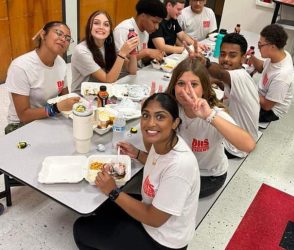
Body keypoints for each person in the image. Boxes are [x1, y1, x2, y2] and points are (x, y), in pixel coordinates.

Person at [73, 93, 200, 250]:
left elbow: (153, 218)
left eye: (160, 117)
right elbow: (160, 165)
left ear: (175, 122)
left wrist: (113, 191)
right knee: (100, 209)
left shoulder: (180, 166)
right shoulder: (164, 142)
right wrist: (137, 154)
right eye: (146, 115)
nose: (150, 123)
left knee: (80, 229)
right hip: (151, 211)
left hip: (162, 240)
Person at [166, 58, 256, 197]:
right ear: (173, 86)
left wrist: (209, 116)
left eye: (194, 84)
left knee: (168, 192)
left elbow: (248, 145)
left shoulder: (212, 113)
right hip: (180, 167)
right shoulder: (172, 108)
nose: (186, 90)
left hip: (208, 176)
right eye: (181, 83)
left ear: (204, 88)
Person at [4, 21, 80, 134]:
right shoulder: (20, 66)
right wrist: (56, 108)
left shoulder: (61, 63)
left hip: (49, 115)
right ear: (43, 34)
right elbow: (23, 115)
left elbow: (65, 97)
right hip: (21, 124)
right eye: (59, 33)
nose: (64, 39)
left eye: (68, 38)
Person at [204, 33, 260, 158]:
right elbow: (222, 80)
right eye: (222, 54)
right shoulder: (238, 74)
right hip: (243, 137)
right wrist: (217, 82)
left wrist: (205, 62)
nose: (226, 59)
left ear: (243, 58)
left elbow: (220, 74)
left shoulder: (240, 76)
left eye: (232, 55)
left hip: (236, 146)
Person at [71, 10, 139, 94]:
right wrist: (122, 53)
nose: (101, 27)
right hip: (82, 97)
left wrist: (133, 50)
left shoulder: (109, 45)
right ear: (89, 27)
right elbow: (108, 80)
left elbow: (132, 71)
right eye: (96, 23)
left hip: (103, 92)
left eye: (106, 24)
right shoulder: (81, 51)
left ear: (110, 30)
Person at [249, 24, 294, 123]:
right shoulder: (281, 54)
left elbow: (267, 105)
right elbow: (262, 67)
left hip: (270, 112)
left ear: (273, 47)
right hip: (261, 97)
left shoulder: (282, 76)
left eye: (260, 45)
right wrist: (251, 57)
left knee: (233, 108)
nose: (258, 48)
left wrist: (247, 90)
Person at [113, 0, 167, 67]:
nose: (157, 27)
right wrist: (146, 52)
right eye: (154, 22)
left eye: (158, 23)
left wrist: (153, 55)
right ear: (143, 16)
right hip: (123, 76)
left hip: (139, 72)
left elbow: (141, 60)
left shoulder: (145, 32)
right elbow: (122, 63)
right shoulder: (123, 30)